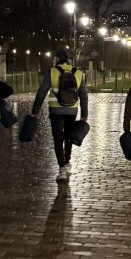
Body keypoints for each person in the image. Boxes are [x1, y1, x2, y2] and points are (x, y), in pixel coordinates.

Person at [31, 49, 88, 182]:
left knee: (58, 138)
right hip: (72, 110)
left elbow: (41, 93)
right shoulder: (78, 73)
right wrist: (84, 114)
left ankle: (61, 168)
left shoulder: (52, 72)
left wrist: (35, 111)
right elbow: (83, 95)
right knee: (69, 136)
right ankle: (67, 162)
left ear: (56, 59)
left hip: (56, 111)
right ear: (68, 60)